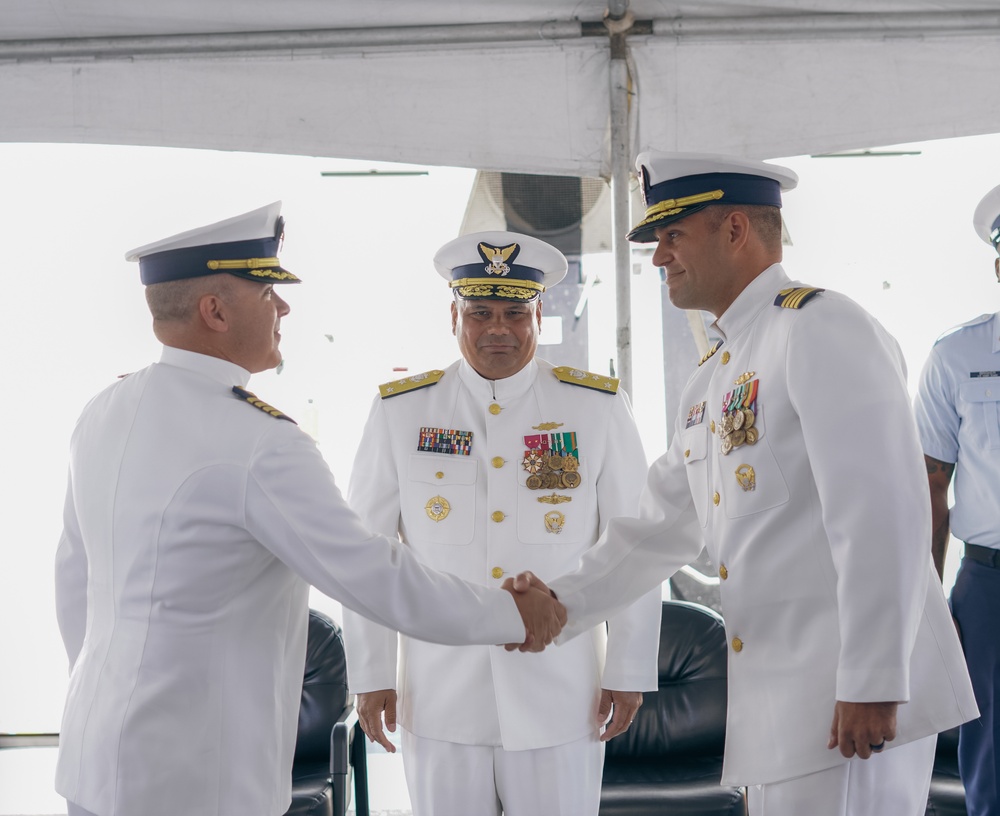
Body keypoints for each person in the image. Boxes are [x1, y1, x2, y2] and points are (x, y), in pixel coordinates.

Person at [53, 203, 566, 816]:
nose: (285, 308)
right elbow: (373, 573)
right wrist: (514, 615)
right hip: (198, 773)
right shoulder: (257, 441)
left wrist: (114, 693)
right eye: (268, 291)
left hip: (94, 752)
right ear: (215, 311)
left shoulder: (104, 411)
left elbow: (73, 574)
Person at [530, 151, 978, 816]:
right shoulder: (714, 375)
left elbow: (883, 512)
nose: (658, 258)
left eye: (672, 236)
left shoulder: (822, 327)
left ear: (735, 229)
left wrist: (875, 678)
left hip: (848, 702)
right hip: (783, 711)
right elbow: (658, 528)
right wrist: (554, 602)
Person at [341, 230, 661, 816]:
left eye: (515, 312)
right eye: (479, 312)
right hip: (440, 693)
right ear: (453, 315)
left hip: (561, 695)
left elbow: (635, 546)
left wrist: (630, 667)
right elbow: (366, 553)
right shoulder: (402, 411)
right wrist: (370, 670)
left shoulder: (595, 408)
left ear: (538, 312)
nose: (498, 328)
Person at [912, 183, 1000, 816]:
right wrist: (923, 599)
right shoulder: (957, 356)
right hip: (991, 585)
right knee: (992, 758)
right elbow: (929, 486)